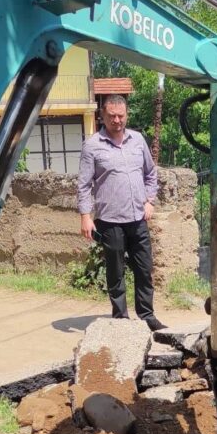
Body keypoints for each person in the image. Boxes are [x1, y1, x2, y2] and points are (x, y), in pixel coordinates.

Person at [77, 93, 166, 332]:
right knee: (115, 271)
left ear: (127, 115)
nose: (117, 120)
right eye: (112, 116)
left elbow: (150, 173)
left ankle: (147, 315)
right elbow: (84, 184)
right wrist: (85, 216)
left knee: (144, 268)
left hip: (138, 217)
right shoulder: (92, 146)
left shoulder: (137, 140)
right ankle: (120, 318)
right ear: (102, 116)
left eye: (121, 115)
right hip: (110, 220)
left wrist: (150, 201)